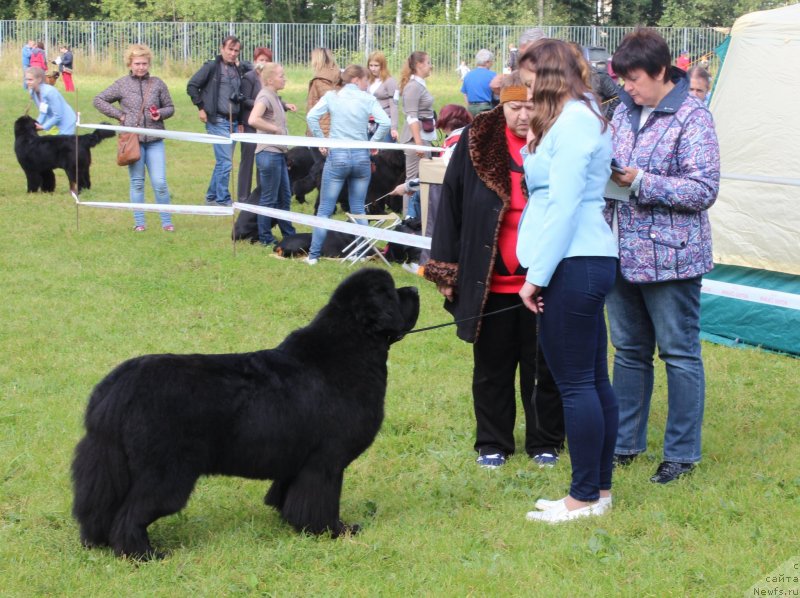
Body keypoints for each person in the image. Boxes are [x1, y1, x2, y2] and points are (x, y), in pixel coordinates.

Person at [424, 73, 565, 470]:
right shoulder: (475, 143)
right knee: (492, 368)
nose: (523, 115)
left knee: (543, 367)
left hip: (543, 281)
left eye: (531, 105)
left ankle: (546, 440)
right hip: (489, 281)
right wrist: (446, 272)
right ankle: (493, 443)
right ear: (500, 104)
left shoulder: (558, 143)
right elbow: (448, 208)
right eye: (514, 106)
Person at [604, 29, 720, 484]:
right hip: (620, 252)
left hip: (673, 260)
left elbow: (703, 189)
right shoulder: (622, 113)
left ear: (659, 72)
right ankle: (625, 443)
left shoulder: (694, 118)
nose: (626, 87)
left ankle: (681, 455)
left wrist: (641, 181)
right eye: (622, 80)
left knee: (679, 354)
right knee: (629, 352)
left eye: (633, 79)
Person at [515, 39, 619, 523]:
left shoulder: (576, 119)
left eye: (530, 75)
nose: (525, 85)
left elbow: (565, 203)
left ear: (550, 74)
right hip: (578, 259)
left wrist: (536, 277)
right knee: (592, 379)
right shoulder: (573, 117)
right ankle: (597, 493)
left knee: (576, 383)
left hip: (573, 260)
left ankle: (583, 497)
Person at [305, 64, 390, 265]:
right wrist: (371, 144)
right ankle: (360, 253)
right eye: (365, 80)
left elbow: (311, 117)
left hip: (338, 156)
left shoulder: (332, 96)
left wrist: (322, 140)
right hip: (361, 157)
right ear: (357, 80)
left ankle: (314, 255)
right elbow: (385, 123)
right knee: (358, 208)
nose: (367, 84)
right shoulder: (368, 99)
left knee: (325, 208)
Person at [94, 44, 176, 232]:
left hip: (155, 139)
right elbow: (99, 100)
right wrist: (120, 116)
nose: (141, 67)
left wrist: (160, 114)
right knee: (137, 182)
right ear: (130, 64)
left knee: (160, 182)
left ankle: (167, 222)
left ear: (149, 64)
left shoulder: (157, 84)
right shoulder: (122, 84)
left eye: (144, 63)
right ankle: (140, 222)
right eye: (137, 63)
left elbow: (170, 107)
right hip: (133, 141)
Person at [187, 35, 246, 207]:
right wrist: (201, 108)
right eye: (230, 49)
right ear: (222, 49)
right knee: (226, 162)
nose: (233, 53)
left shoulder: (237, 69)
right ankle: (223, 199)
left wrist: (240, 120)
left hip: (233, 121)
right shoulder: (212, 66)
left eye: (236, 51)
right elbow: (192, 86)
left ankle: (211, 196)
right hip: (217, 120)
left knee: (222, 162)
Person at [248, 62, 297, 247]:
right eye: (281, 76)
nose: (284, 79)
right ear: (269, 79)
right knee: (269, 198)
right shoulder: (264, 96)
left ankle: (289, 234)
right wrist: (274, 129)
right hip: (268, 154)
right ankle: (265, 237)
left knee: (285, 196)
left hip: (278, 154)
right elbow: (253, 119)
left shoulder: (273, 96)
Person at [399, 51, 435, 218]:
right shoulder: (413, 87)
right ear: (419, 65)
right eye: (428, 62)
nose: (431, 66)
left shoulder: (419, 85)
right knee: (412, 182)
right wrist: (419, 142)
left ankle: (419, 216)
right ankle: (408, 218)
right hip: (415, 141)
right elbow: (411, 117)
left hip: (422, 139)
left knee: (422, 180)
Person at [25, 67, 76, 135]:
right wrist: (35, 125)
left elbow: (58, 116)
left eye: (30, 80)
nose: (27, 82)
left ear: (39, 79)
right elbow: (43, 112)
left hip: (66, 122)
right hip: (53, 122)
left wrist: (43, 127)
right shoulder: (32, 91)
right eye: (26, 79)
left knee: (61, 145)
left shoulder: (50, 92)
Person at [367, 51, 399, 142]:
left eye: (376, 66)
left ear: (382, 66)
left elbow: (394, 105)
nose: (373, 68)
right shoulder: (367, 81)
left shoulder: (390, 81)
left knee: (385, 154)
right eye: (371, 65)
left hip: (384, 123)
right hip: (370, 123)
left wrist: (394, 128)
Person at [461, 49, 496, 116]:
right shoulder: (493, 75)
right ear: (487, 62)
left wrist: (469, 107)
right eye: (491, 62)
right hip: (486, 108)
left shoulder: (468, 75)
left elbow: (465, 94)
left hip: (471, 108)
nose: (492, 64)